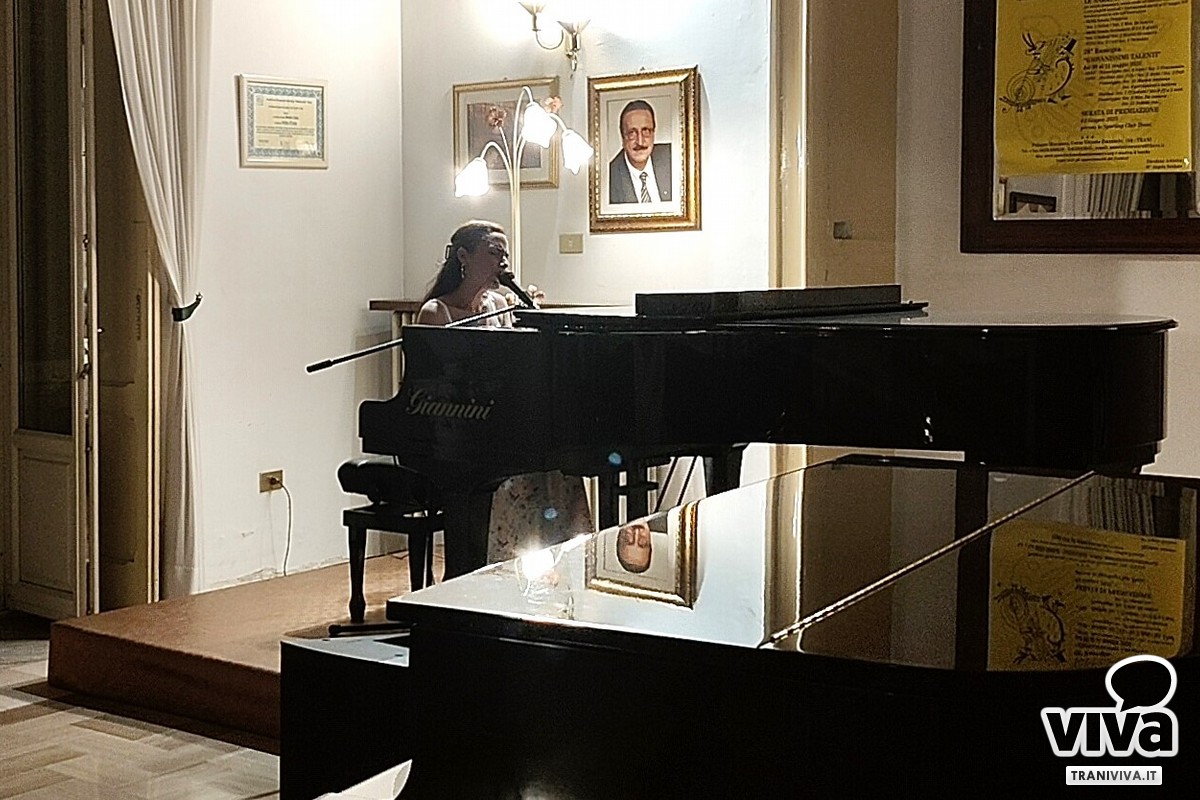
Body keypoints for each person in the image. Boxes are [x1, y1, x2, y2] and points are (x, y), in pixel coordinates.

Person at [417, 220, 593, 564]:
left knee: (558, 465)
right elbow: (434, 388)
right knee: (512, 471)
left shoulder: (499, 306)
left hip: (496, 427)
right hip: (457, 430)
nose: (504, 262)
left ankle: (556, 561)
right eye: (494, 253)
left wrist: (531, 320)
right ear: (463, 257)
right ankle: (495, 564)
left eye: (505, 254)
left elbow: (514, 373)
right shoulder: (436, 312)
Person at [608, 100, 673, 204]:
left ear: (653, 133)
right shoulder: (609, 179)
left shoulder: (673, 157)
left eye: (646, 131)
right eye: (632, 133)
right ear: (623, 138)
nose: (640, 142)